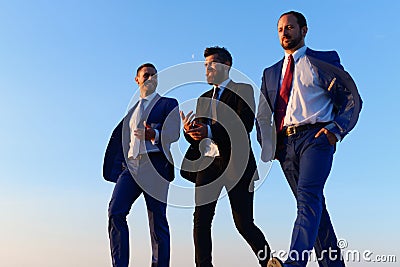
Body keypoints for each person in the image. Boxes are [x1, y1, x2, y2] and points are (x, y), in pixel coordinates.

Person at [256, 11, 362, 267]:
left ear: (304, 30)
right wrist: (269, 146)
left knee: (307, 197)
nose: (284, 32)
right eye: (280, 28)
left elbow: (352, 98)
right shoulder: (270, 73)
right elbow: (262, 113)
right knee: (314, 209)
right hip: (285, 146)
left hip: (316, 139)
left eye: (290, 27)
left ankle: (294, 263)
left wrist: (335, 130)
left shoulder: (324, 60)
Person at [180, 46, 271, 267]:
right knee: (201, 221)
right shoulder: (202, 98)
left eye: (211, 64)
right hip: (207, 164)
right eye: (205, 65)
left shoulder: (244, 90)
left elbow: (244, 125)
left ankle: (269, 262)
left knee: (244, 223)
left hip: (236, 165)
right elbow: (200, 136)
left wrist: (209, 131)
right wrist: (189, 131)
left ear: (226, 65)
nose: (207, 69)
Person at [103, 63, 180, 267]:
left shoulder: (168, 103)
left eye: (154, 75)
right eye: (146, 75)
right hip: (131, 168)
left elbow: (173, 133)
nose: (151, 78)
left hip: (155, 165)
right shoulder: (131, 113)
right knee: (115, 211)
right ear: (137, 79)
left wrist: (153, 134)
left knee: (157, 222)